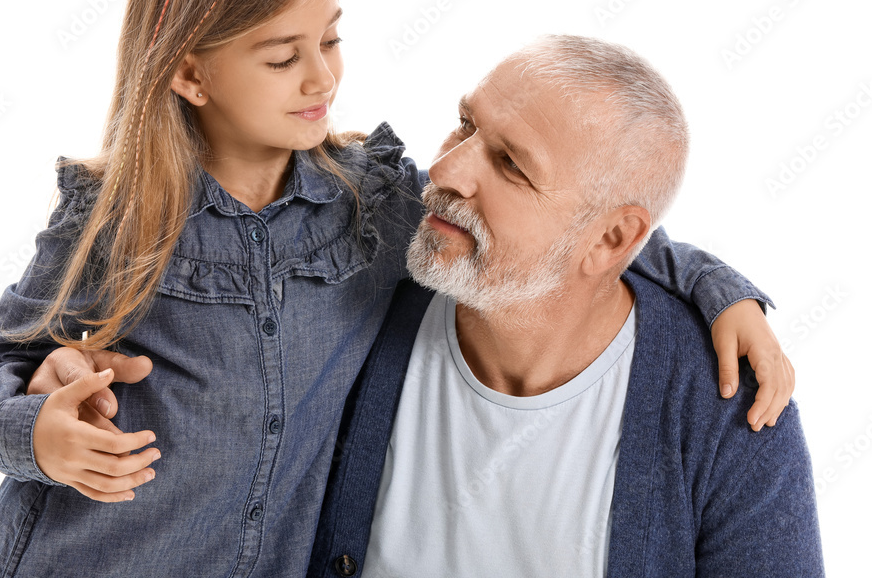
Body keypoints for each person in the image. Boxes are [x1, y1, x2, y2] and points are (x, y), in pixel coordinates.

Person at [0, 0, 792, 578]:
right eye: (283, 58)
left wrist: (723, 291)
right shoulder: (116, 216)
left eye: (332, 38)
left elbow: (567, 225)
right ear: (190, 73)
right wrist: (40, 436)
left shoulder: (369, 201)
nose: (322, 77)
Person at [309, 35, 824, 577]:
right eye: (466, 124)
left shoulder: (727, 408)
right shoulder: (361, 281)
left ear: (610, 241)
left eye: (511, 165)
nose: (446, 171)